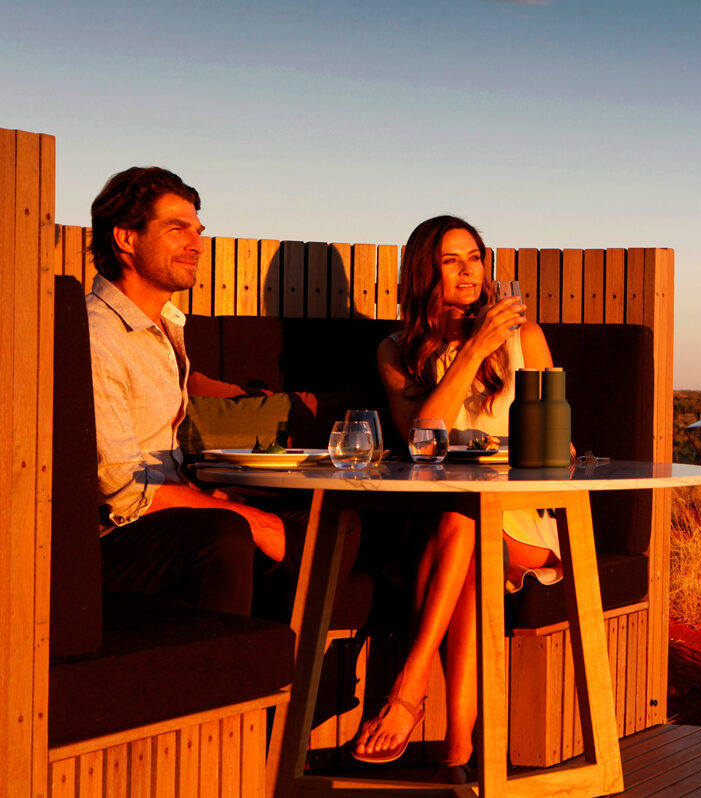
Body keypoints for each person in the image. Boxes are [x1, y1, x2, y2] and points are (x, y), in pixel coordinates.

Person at [87, 166, 355, 616]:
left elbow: (161, 459)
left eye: (197, 230)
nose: (196, 244)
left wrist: (207, 494)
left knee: (333, 525)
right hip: (107, 536)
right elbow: (121, 489)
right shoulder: (97, 335)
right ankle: (228, 673)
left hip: (163, 506)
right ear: (126, 238)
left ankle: (279, 666)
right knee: (226, 536)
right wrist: (249, 519)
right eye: (177, 230)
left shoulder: (165, 326)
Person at [352, 216, 563, 776]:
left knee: (465, 518)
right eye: (452, 261)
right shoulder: (397, 350)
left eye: (475, 257)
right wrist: (473, 349)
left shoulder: (527, 339)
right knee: (464, 527)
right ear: (426, 272)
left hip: (523, 522)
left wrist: (494, 343)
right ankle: (458, 757)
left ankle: (410, 688)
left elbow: (555, 444)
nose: (470, 271)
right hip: (445, 521)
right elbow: (422, 438)